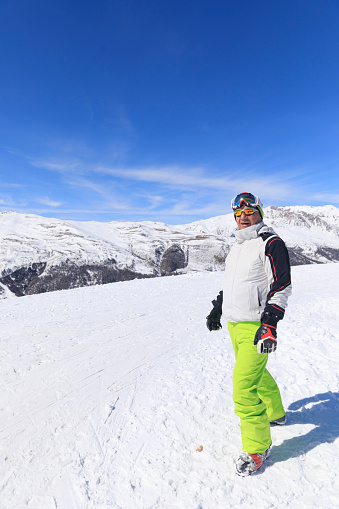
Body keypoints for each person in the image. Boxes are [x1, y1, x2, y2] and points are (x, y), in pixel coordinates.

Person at [206, 192, 292, 476]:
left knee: (243, 387)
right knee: (257, 374)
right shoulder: (238, 246)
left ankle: (257, 447)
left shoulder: (270, 242)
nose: (244, 216)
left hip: (256, 324)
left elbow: (281, 286)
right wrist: (218, 308)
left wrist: (270, 323)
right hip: (235, 324)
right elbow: (234, 284)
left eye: (249, 210)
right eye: (239, 213)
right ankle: (276, 413)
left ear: (260, 212)